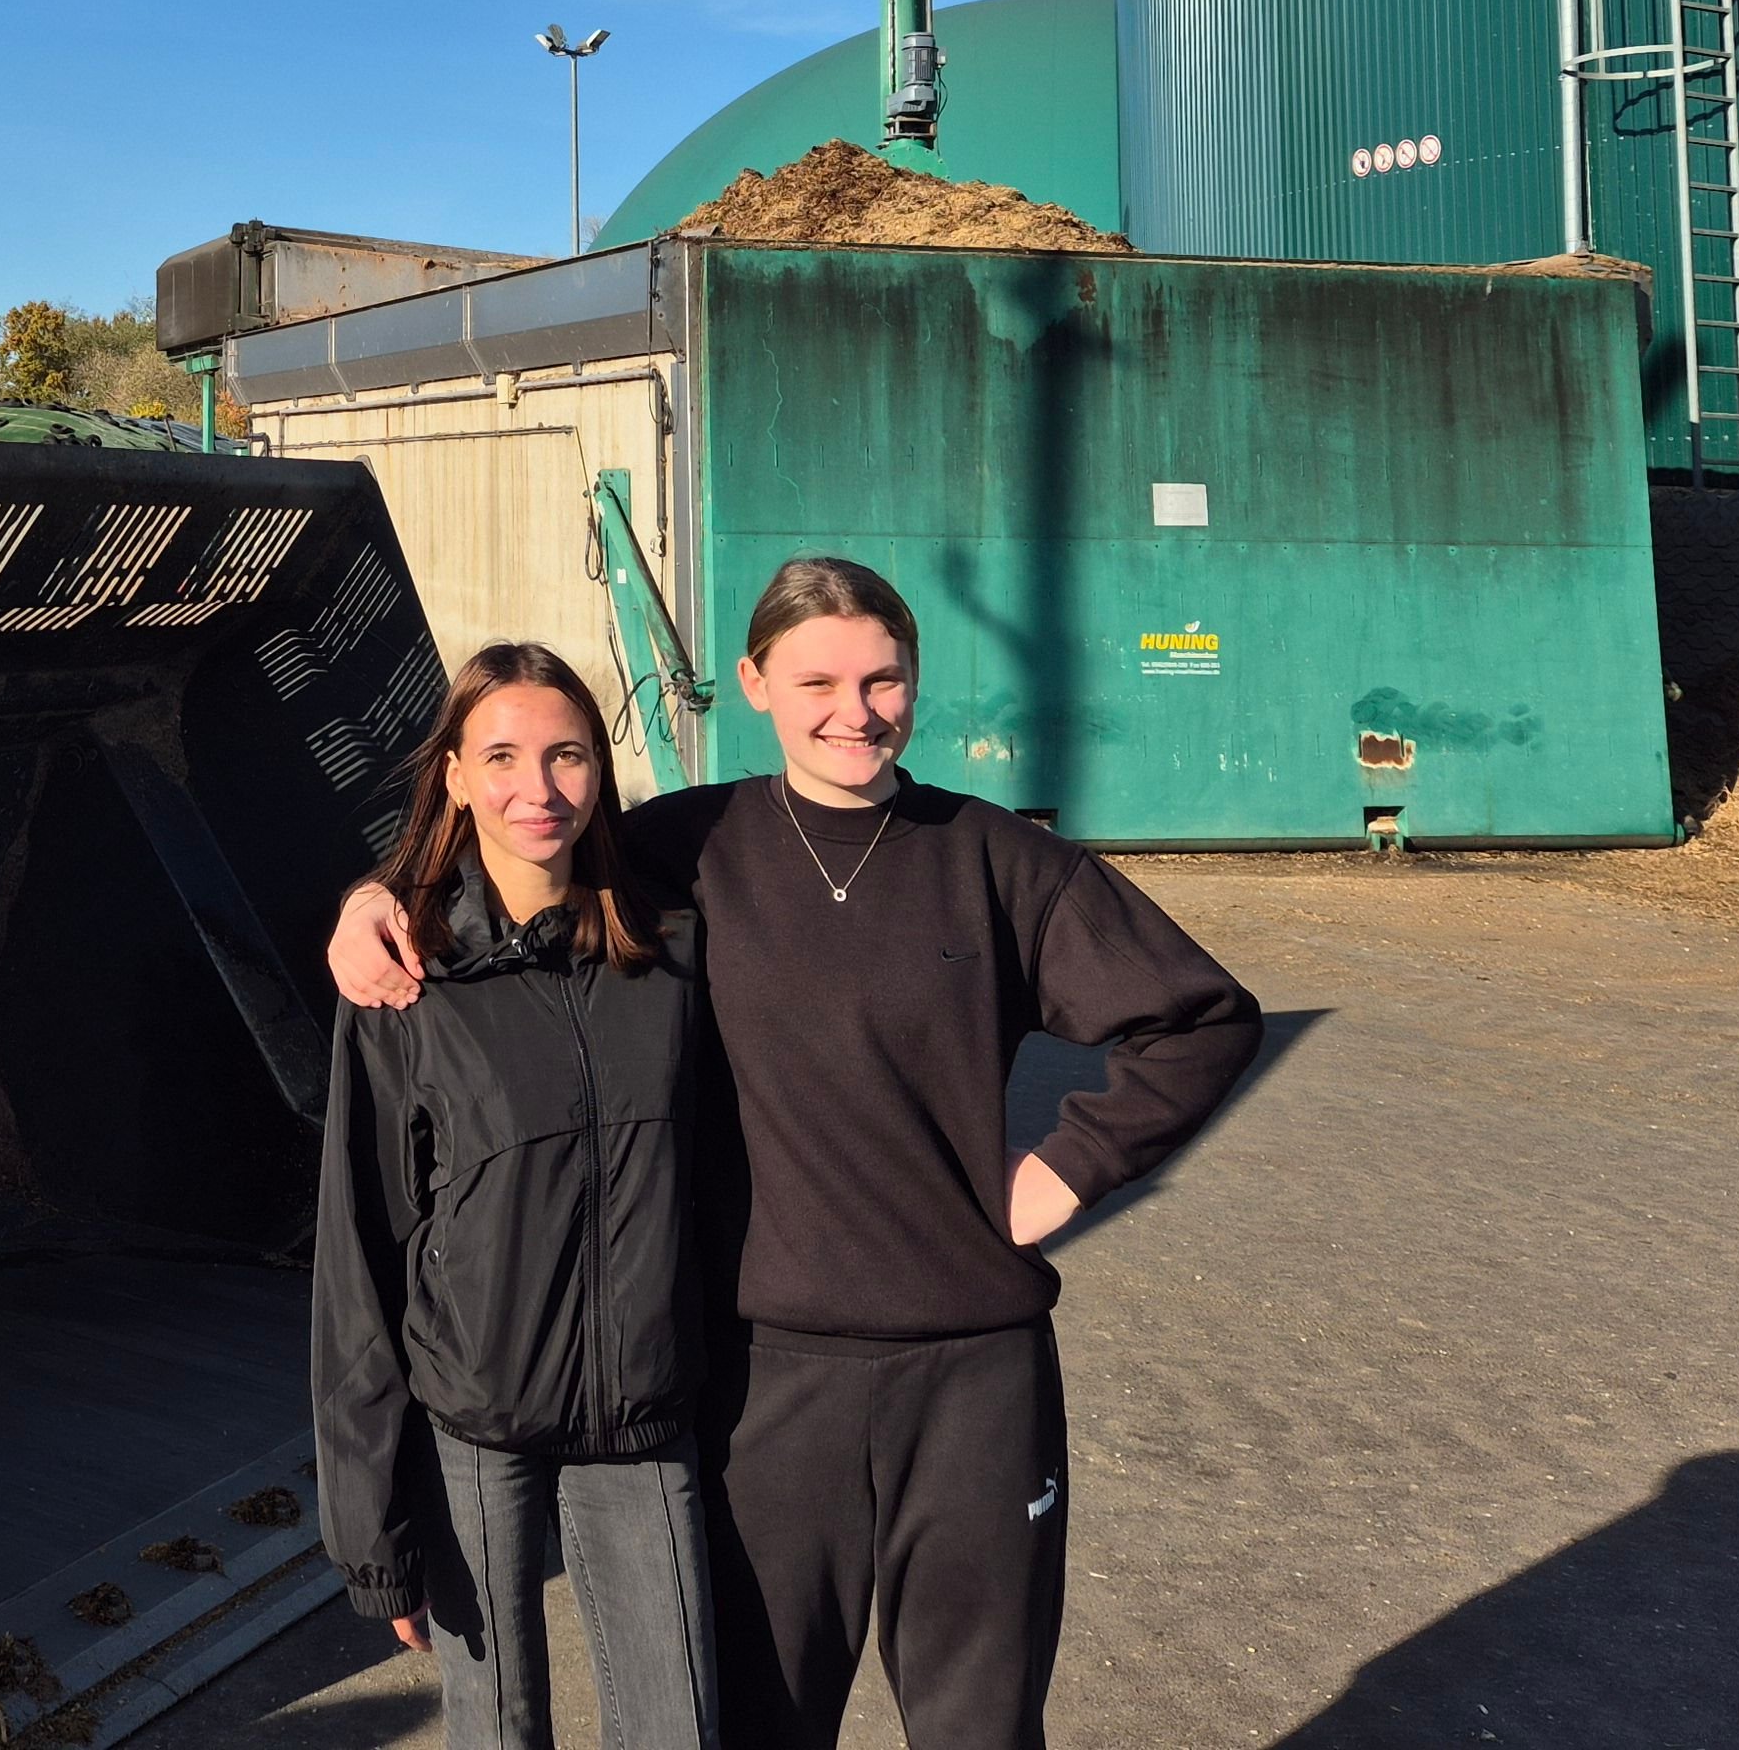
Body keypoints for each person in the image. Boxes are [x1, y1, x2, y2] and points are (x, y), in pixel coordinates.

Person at [329, 558, 1258, 1750]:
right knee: (762, 1723)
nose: (854, 710)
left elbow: (1201, 1018)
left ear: (915, 683)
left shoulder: (995, 860)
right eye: (817, 679)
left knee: (982, 1725)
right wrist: (375, 895)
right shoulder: (690, 846)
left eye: (884, 679)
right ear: (757, 682)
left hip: (974, 1379)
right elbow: (517, 837)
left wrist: (1070, 1166)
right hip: (763, 1384)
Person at [311, 641, 722, 1750]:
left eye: (567, 755)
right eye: (499, 756)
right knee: (497, 1734)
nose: (536, 790)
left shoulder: (675, 949)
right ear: (450, 775)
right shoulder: (409, 975)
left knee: (677, 1729)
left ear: (601, 768)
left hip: (642, 1422)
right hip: (472, 1435)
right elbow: (361, 1248)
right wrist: (373, 1527)